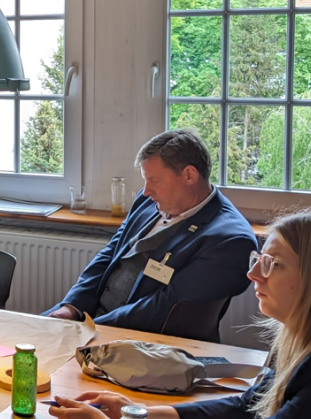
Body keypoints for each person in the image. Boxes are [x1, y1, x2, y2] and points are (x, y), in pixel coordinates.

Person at [49, 207, 311, 419]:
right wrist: (137, 414)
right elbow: (245, 410)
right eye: (259, 259)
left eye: (276, 263)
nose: (254, 274)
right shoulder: (303, 345)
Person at [43, 129, 256, 340]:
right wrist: (72, 307)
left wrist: (89, 329)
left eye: (155, 180)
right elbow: (111, 253)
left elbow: (165, 306)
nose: (146, 191)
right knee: (24, 340)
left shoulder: (231, 241)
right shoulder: (147, 201)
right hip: (91, 320)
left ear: (189, 175)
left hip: (147, 343)